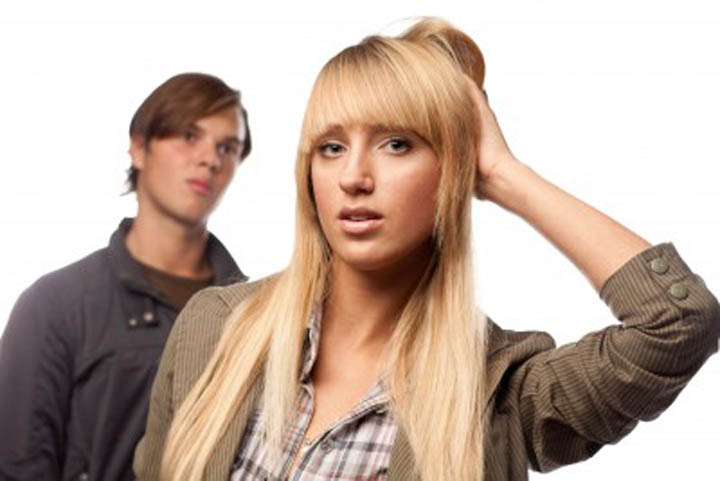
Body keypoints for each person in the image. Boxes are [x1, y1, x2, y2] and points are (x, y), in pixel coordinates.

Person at [134, 19, 719, 481]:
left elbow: (678, 321)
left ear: (453, 172)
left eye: (396, 143)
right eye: (332, 147)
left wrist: (503, 173)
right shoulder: (215, 328)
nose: (354, 177)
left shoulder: (498, 392)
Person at [0, 72, 251, 481]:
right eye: (189, 136)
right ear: (138, 147)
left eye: (228, 147)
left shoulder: (251, 315)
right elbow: (16, 466)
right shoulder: (54, 306)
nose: (210, 158)